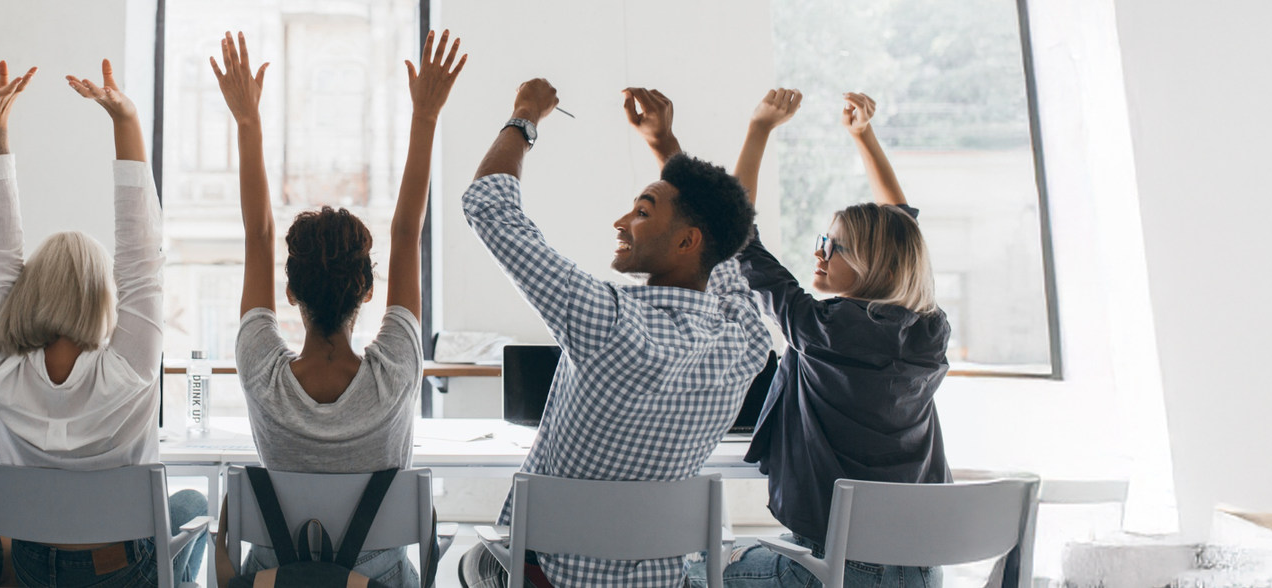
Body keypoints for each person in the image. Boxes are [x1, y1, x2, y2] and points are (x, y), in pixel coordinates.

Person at [455, 80, 775, 588]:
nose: (621, 221)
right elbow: (727, 249)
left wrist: (525, 117)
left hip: (549, 579)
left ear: (687, 241)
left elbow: (490, 207)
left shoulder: (607, 323)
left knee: (466, 560)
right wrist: (665, 147)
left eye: (643, 211)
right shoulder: (747, 341)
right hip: (660, 582)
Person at [209, 30, 462, 588]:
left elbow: (257, 235)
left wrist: (247, 123)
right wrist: (425, 118)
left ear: (291, 292)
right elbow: (406, 233)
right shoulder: (397, 369)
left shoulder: (259, 369)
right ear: (366, 292)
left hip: (275, 579)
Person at [699, 89, 952, 588]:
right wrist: (864, 137)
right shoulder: (930, 330)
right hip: (921, 567)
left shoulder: (822, 329)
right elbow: (902, 227)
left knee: (692, 570)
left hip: (834, 567)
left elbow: (737, 233)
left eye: (830, 245)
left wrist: (759, 129)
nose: (819, 253)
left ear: (868, 262)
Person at [0, 58, 207, 587]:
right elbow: (142, 257)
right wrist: (125, 124)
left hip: (31, 569)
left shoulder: (0, 370)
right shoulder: (130, 368)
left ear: (28, 290)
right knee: (191, 501)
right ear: (106, 299)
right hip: (122, 571)